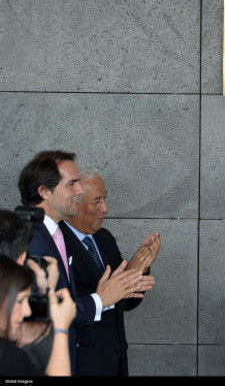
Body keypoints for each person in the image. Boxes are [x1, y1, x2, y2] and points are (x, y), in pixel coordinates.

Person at [19, 150, 149, 376]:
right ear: (44, 191)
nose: (79, 191)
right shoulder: (30, 237)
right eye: (71, 184)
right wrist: (100, 300)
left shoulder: (52, 234)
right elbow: (40, 312)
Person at [61, 165, 160, 376]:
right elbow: (56, 311)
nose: (105, 208)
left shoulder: (104, 238)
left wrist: (138, 269)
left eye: (104, 199)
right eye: (97, 202)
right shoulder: (56, 243)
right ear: (74, 203)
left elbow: (126, 303)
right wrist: (100, 297)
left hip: (115, 362)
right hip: (80, 365)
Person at [0, 254, 77, 376]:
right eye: (20, 301)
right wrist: (61, 328)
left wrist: (46, 291)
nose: (27, 311)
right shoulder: (7, 357)